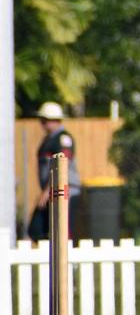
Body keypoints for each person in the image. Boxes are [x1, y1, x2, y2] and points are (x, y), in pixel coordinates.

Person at [28, 101, 82, 241]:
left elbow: (61, 166)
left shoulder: (63, 139)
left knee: (63, 230)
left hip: (63, 191)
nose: (42, 123)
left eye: (44, 120)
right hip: (51, 191)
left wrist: (47, 191)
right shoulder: (48, 140)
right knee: (38, 230)